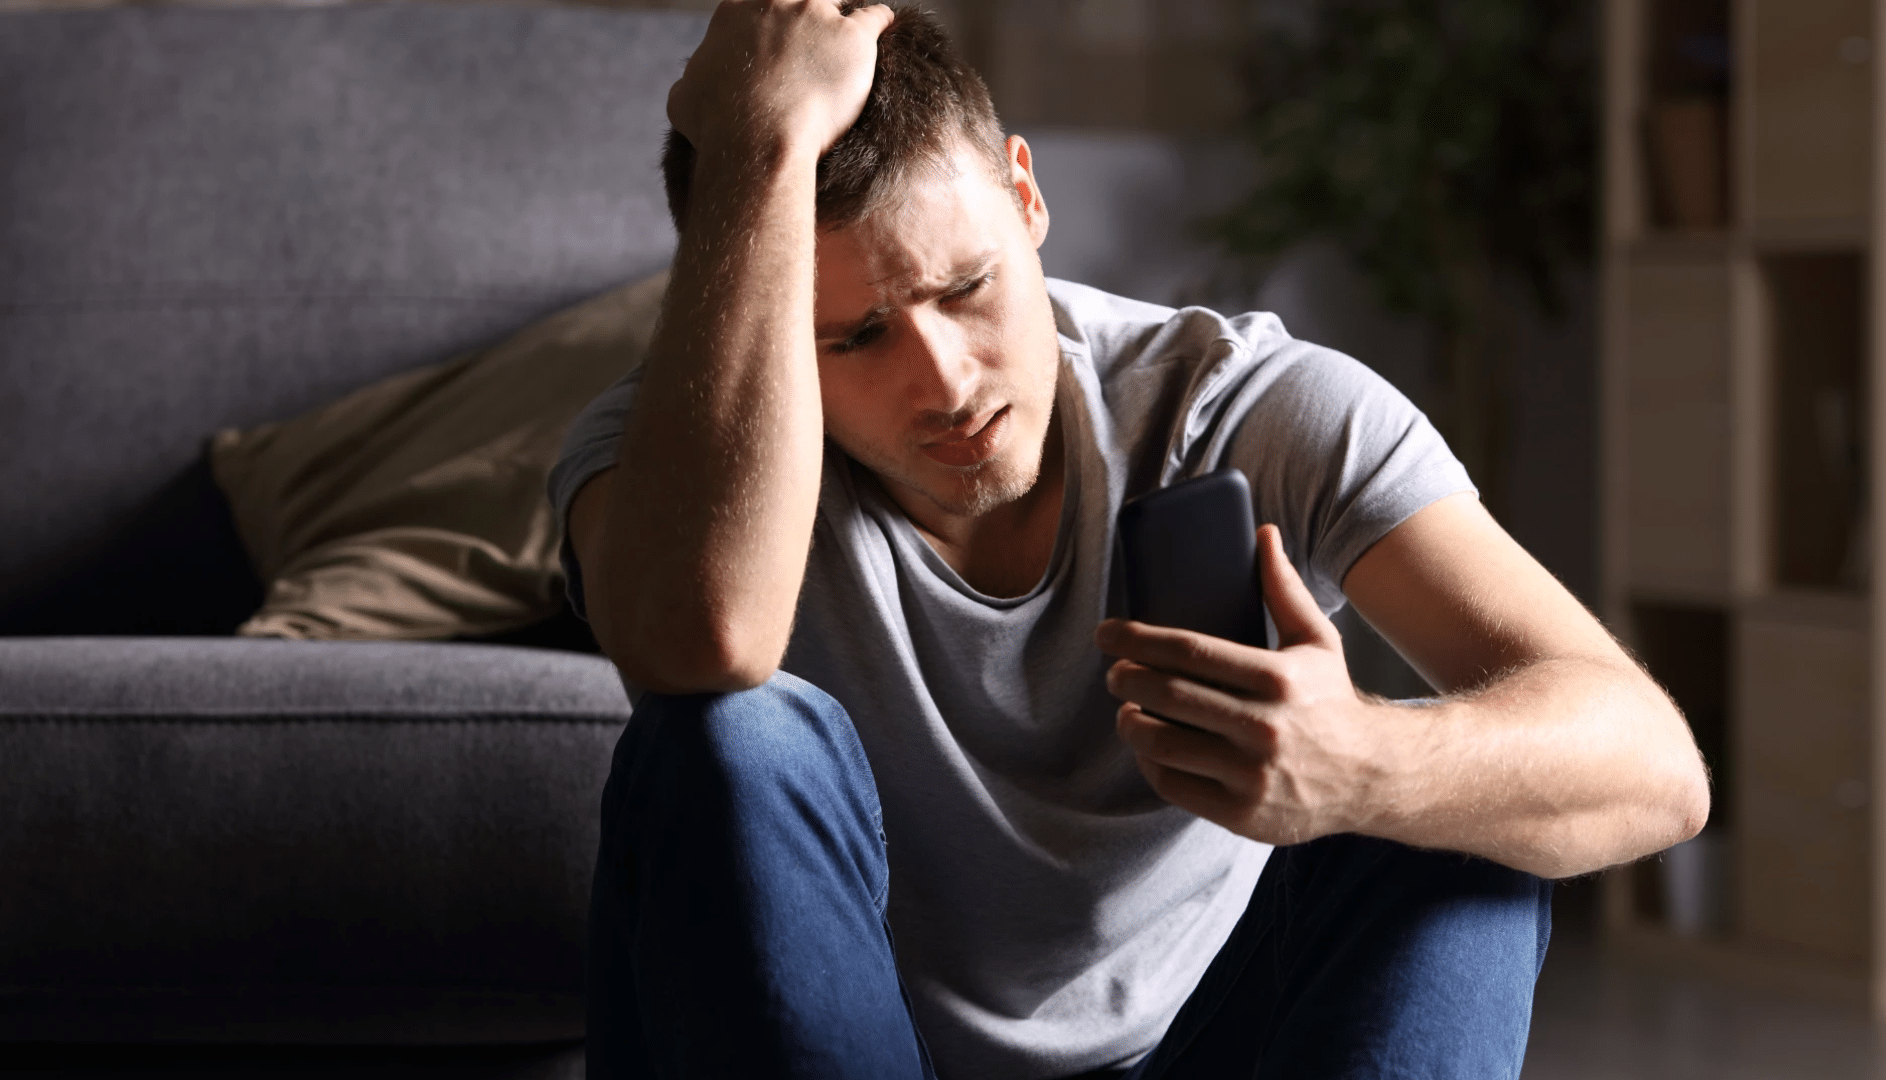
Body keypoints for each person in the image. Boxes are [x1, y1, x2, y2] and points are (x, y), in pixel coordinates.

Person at [550, 2, 1710, 1077]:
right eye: (853, 339)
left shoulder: (1246, 406)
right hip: (867, 1045)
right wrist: (759, 147)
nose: (945, 383)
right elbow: (701, 642)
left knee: (1456, 800)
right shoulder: (658, 462)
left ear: (1026, 196)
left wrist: (1360, 765)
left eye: (964, 287)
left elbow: (1656, 772)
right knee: (726, 736)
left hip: (1201, 1041)